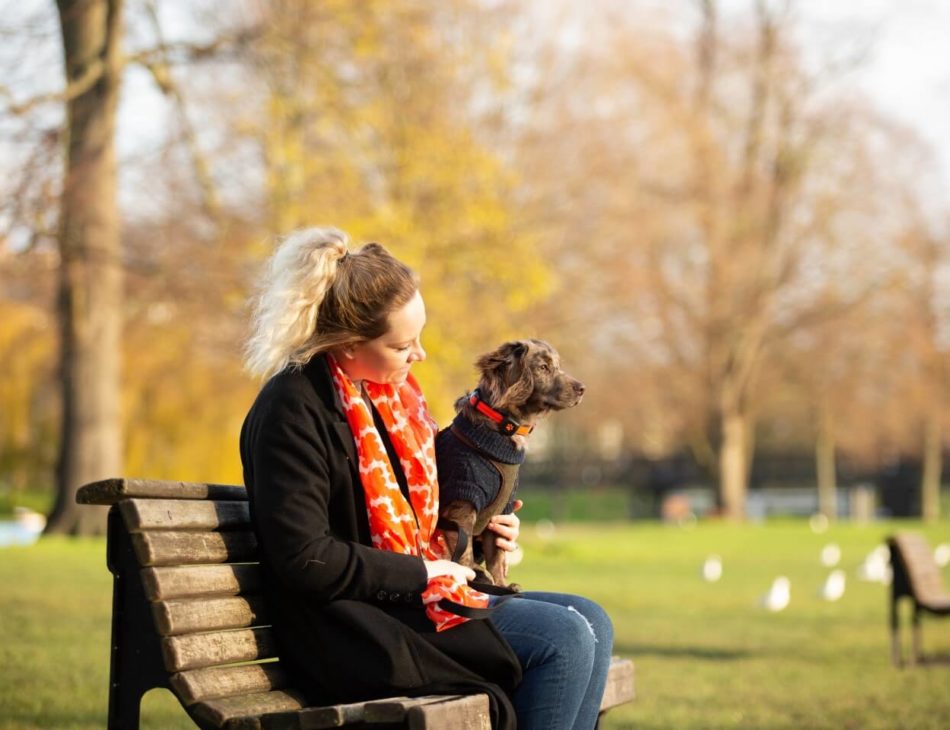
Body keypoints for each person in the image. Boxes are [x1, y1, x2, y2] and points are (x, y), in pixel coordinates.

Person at [240, 227, 614, 729]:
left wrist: (479, 536)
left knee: (593, 620)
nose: (420, 355)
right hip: (353, 625)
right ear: (349, 346)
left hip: (405, 602)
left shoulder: (388, 402)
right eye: (403, 345)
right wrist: (424, 574)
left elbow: (411, 523)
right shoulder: (293, 409)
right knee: (563, 639)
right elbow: (308, 558)